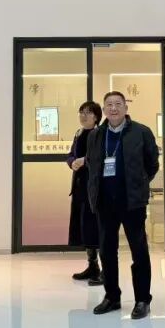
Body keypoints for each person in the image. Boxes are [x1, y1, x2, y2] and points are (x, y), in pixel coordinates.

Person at [85, 91, 159, 320]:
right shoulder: (96, 135)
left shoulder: (141, 132)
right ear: (104, 110)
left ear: (126, 108)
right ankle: (112, 297)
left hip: (132, 202)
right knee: (107, 251)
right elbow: (91, 163)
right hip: (105, 202)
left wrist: (139, 183)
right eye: (109, 105)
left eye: (118, 104)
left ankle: (142, 300)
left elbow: (152, 164)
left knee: (139, 250)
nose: (114, 108)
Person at [66, 101, 104, 285]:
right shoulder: (79, 133)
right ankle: (92, 266)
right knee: (84, 228)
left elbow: (101, 158)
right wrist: (72, 162)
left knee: (96, 228)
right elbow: (70, 154)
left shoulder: (101, 134)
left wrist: (84, 161)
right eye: (81, 112)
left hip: (95, 188)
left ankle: (105, 271)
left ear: (96, 117)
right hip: (80, 187)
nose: (83, 116)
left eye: (87, 113)